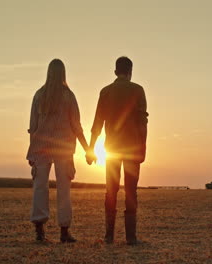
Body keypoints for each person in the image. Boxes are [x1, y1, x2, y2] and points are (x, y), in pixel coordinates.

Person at [86, 56, 148, 245]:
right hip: (132, 149)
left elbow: (97, 123)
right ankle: (131, 237)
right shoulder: (138, 90)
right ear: (131, 72)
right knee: (131, 192)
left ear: (115, 72)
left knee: (110, 191)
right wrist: (143, 149)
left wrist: (90, 148)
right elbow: (143, 124)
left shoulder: (105, 92)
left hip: (111, 149)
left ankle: (109, 235)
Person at [26, 59, 89, 243]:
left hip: (40, 149)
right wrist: (87, 149)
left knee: (40, 189)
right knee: (64, 190)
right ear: (63, 73)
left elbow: (33, 126)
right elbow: (76, 126)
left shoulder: (39, 95)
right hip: (63, 149)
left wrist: (32, 152)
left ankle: (39, 230)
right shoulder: (68, 96)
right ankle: (64, 231)